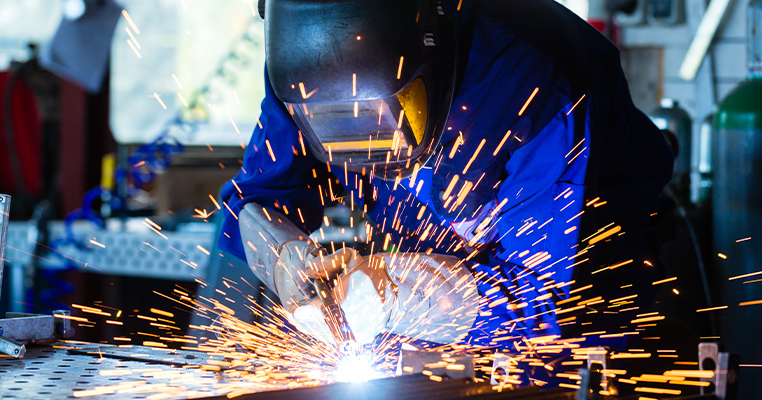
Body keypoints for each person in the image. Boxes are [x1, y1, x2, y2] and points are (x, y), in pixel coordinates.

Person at [218, 0, 674, 354]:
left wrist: (395, 294)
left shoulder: (531, 83)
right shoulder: (303, 70)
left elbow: (543, 302)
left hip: (579, 312)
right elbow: (257, 201)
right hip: (420, 308)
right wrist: (284, 258)